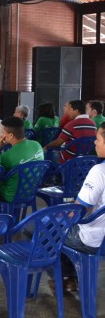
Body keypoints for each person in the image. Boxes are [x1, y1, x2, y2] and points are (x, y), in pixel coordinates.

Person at [56, 122, 105, 292]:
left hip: (92, 239)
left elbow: (81, 210)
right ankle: (70, 276)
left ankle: (65, 277)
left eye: (98, 139)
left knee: (43, 229)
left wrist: (61, 218)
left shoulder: (99, 171)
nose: (94, 143)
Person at [0, 116, 44, 203]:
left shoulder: (7, 156)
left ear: (11, 135)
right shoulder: (37, 145)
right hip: (31, 191)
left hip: (11, 196)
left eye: (2, 132)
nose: (1, 135)